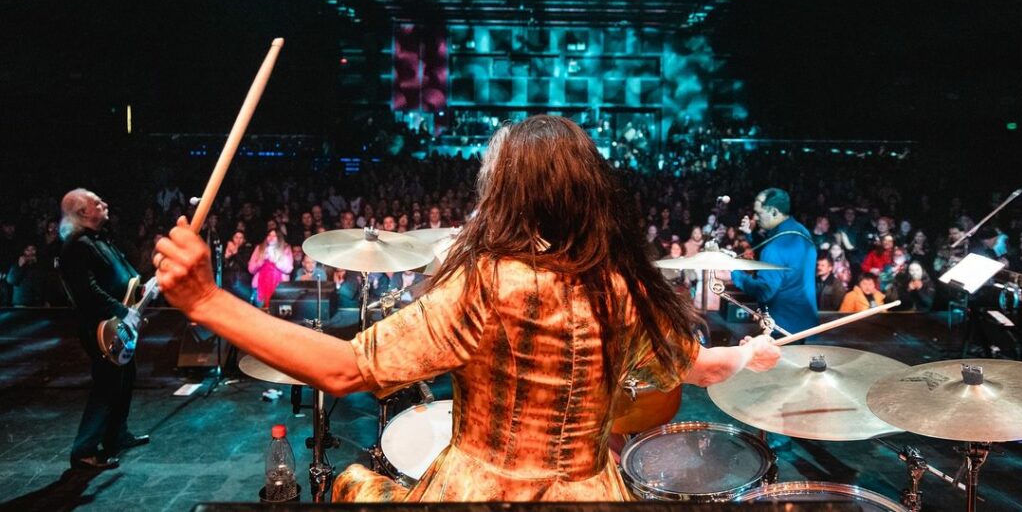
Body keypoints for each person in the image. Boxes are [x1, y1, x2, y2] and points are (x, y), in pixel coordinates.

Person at [154, 115, 780, 502]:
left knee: (352, 484)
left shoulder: (487, 283)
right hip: (595, 491)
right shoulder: (623, 288)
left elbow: (346, 370)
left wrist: (208, 302)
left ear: (507, 192)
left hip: (481, 491)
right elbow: (700, 367)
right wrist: (750, 353)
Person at [57, 189, 149, 470]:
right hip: (100, 326)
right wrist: (123, 312)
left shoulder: (99, 239)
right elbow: (88, 291)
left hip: (117, 321)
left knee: (124, 378)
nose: (105, 204)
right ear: (83, 213)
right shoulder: (76, 246)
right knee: (107, 385)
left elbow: (121, 276)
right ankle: (84, 450)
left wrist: (140, 292)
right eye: (97, 202)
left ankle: (116, 436)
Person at [718, 188, 818, 335]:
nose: (756, 218)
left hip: (781, 327)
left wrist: (733, 274)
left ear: (774, 212)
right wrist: (751, 236)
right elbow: (785, 261)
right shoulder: (801, 231)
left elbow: (764, 291)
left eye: (759, 213)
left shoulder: (773, 249)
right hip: (806, 321)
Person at [247, 228, 293, 309]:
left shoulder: (285, 248)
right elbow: (251, 269)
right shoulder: (259, 248)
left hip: (279, 288)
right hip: (260, 288)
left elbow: (289, 269)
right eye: (269, 235)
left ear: (279, 238)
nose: (271, 237)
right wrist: (260, 262)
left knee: (276, 315)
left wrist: (275, 260)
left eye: (274, 236)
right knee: (262, 314)